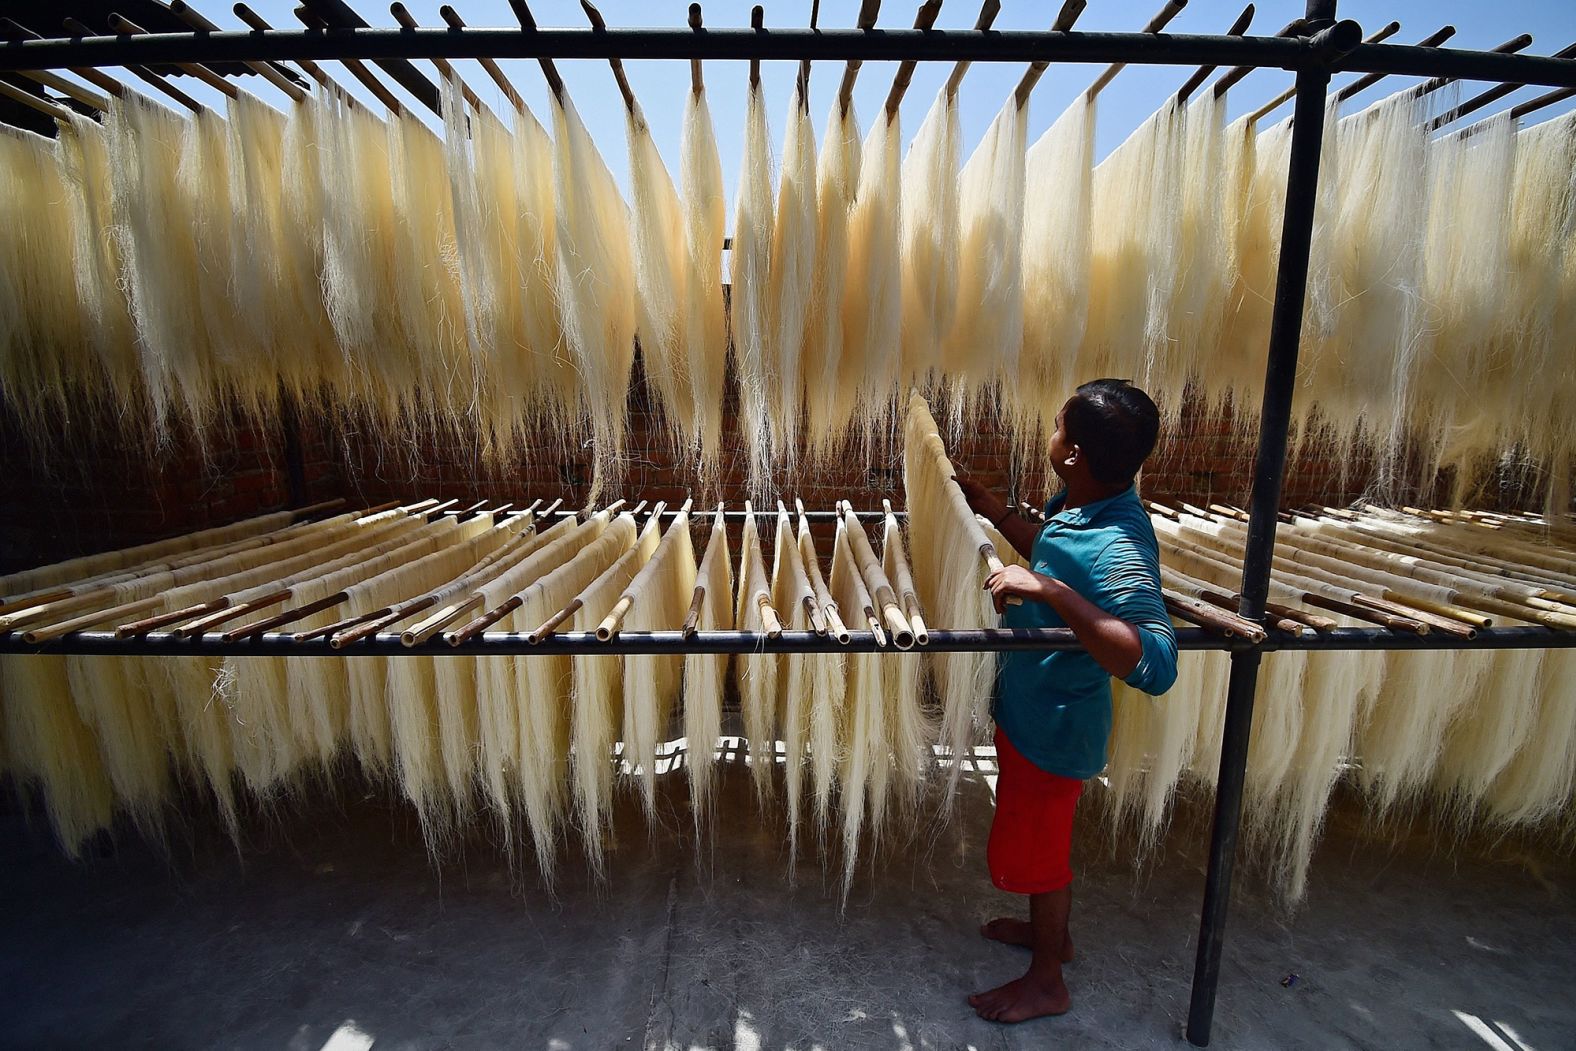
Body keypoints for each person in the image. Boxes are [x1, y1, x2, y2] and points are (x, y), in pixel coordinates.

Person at [954, 378, 1179, 1024]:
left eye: (1057, 426)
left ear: (1074, 452)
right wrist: (997, 513)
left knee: (1043, 855)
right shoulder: (1086, 504)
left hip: (1054, 733)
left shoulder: (1119, 546)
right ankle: (1052, 935)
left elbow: (1154, 660)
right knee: (1039, 846)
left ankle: (1047, 978)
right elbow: (1054, 546)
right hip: (1033, 716)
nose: (1049, 433)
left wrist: (1048, 591)